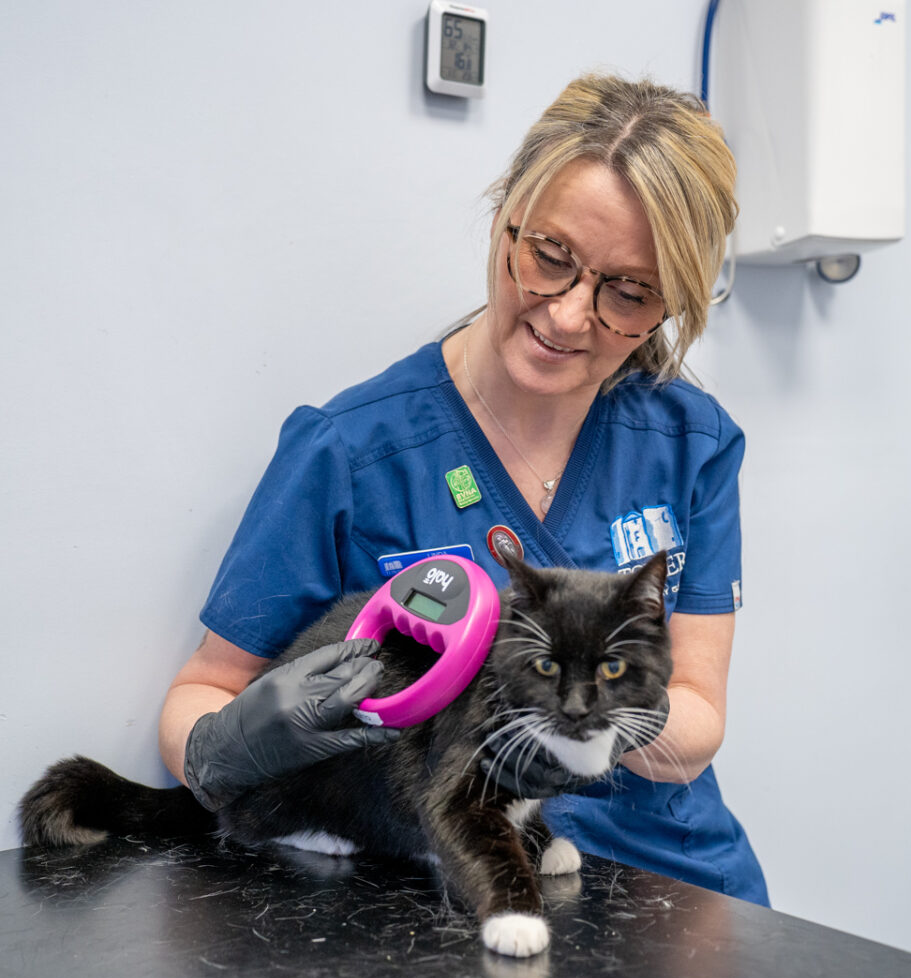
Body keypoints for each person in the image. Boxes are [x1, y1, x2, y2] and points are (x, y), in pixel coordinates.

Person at [159, 73, 769, 906]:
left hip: (672, 884)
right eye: (548, 258)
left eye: (627, 293)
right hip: (441, 883)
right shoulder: (354, 449)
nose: (565, 316)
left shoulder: (690, 443)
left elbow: (698, 712)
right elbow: (205, 690)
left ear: (670, 305)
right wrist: (224, 750)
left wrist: (586, 727)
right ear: (501, 216)